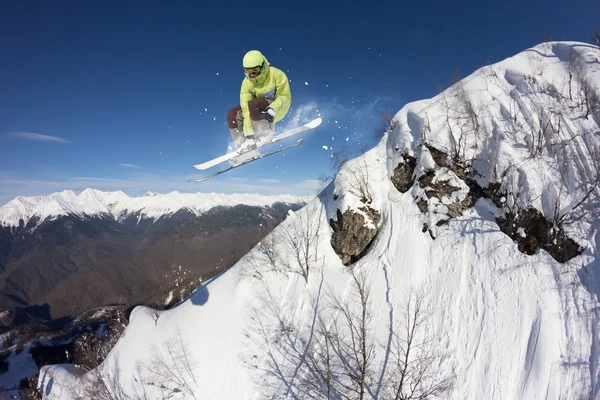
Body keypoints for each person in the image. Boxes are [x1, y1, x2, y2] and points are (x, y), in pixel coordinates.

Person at [226, 50, 292, 162]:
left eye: (255, 70)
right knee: (232, 114)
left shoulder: (276, 74)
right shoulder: (247, 83)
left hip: (278, 108)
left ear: (262, 66)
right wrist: (249, 135)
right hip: (255, 110)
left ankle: (264, 134)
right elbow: (246, 109)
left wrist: (273, 108)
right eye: (248, 71)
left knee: (254, 104)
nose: (252, 74)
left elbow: (285, 96)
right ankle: (244, 146)